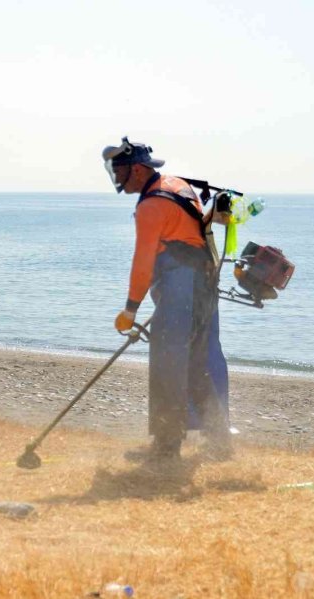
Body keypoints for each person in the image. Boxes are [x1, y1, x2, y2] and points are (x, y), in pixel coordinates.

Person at [101, 137, 231, 463]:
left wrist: (131, 309)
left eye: (120, 171)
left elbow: (143, 261)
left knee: (168, 365)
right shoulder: (176, 185)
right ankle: (219, 441)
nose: (116, 178)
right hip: (203, 287)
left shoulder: (150, 206)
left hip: (182, 289)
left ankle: (166, 447)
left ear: (139, 169)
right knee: (196, 366)